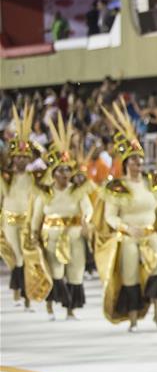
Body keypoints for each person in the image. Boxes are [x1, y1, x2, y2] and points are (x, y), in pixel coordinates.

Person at [96, 104, 157, 332]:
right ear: (126, 163)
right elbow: (110, 217)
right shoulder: (117, 187)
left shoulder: (151, 184)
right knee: (130, 276)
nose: (138, 164)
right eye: (134, 161)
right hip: (129, 236)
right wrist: (127, 228)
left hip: (150, 233)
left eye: (140, 160)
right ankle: (134, 318)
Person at [30, 115, 95, 321]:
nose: (65, 174)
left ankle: (70, 309)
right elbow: (37, 216)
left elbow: (88, 208)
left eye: (68, 169)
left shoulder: (77, 190)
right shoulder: (46, 193)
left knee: (75, 271)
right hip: (52, 235)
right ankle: (50, 306)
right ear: (53, 172)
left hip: (74, 235)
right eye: (61, 170)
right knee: (55, 271)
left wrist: (86, 220)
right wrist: (33, 234)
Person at [0, 104, 38, 310]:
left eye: (25, 157)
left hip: (26, 222)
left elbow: (49, 163)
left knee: (24, 258)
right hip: (9, 221)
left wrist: (31, 143)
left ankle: (27, 297)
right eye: (18, 156)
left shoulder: (34, 177)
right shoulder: (6, 177)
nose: (22, 160)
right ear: (13, 158)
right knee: (14, 258)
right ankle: (18, 294)